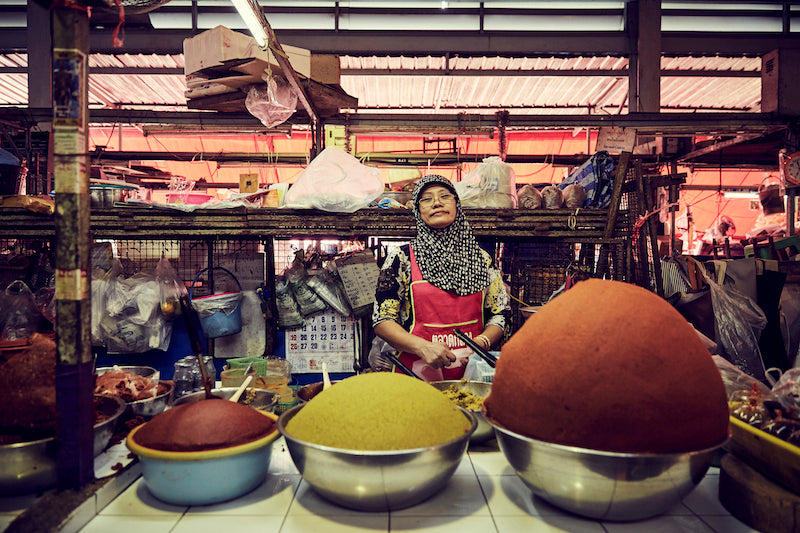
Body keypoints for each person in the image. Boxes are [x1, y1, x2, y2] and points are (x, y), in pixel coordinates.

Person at [371, 174, 511, 381]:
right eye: (426, 199)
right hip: (416, 373)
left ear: (457, 205)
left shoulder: (481, 259)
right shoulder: (402, 258)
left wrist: (481, 344)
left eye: (445, 196)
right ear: (418, 211)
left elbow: (501, 313)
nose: (437, 202)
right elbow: (382, 319)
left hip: (472, 372)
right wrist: (423, 347)